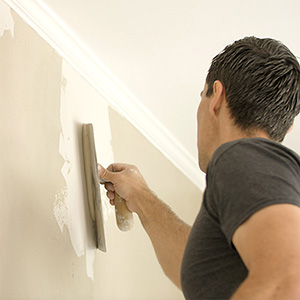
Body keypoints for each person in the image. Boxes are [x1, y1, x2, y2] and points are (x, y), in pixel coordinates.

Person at [98, 36, 300, 300]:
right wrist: (140, 196)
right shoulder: (268, 180)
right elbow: (199, 267)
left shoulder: (241, 155)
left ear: (216, 96)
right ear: (287, 128)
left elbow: (286, 279)